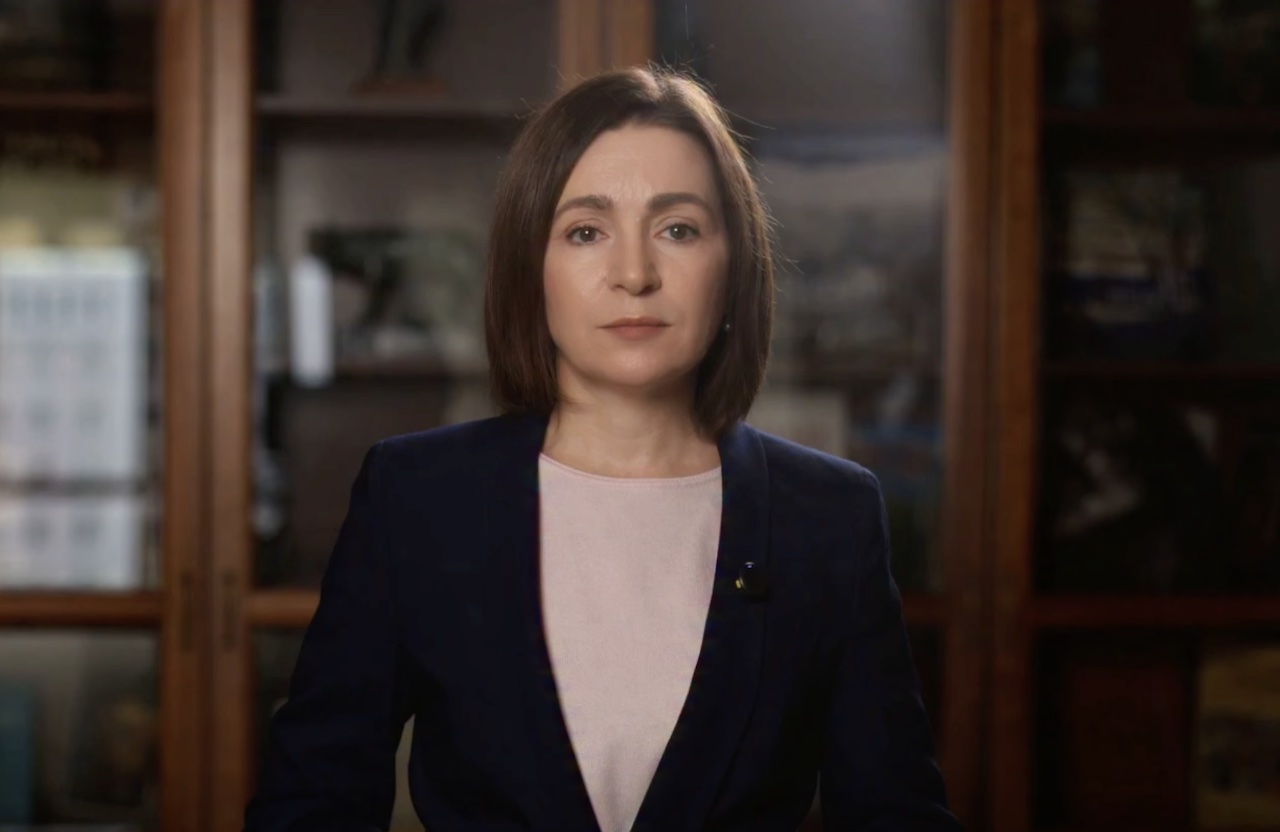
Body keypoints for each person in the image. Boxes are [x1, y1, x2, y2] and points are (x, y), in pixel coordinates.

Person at [244, 66, 961, 832]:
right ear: (532, 268)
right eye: (586, 231)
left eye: (678, 229)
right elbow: (308, 806)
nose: (634, 275)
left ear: (734, 266)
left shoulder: (829, 516)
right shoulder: (417, 498)